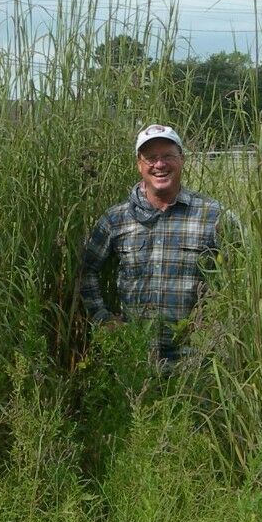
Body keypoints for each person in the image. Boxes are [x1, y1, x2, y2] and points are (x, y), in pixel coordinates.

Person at [78, 124, 239, 368]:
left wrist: (219, 323)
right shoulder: (116, 219)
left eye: (168, 156)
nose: (160, 164)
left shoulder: (212, 215)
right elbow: (86, 270)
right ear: (139, 165)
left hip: (196, 364)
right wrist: (103, 319)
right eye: (151, 158)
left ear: (182, 159)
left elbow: (247, 269)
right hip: (133, 362)